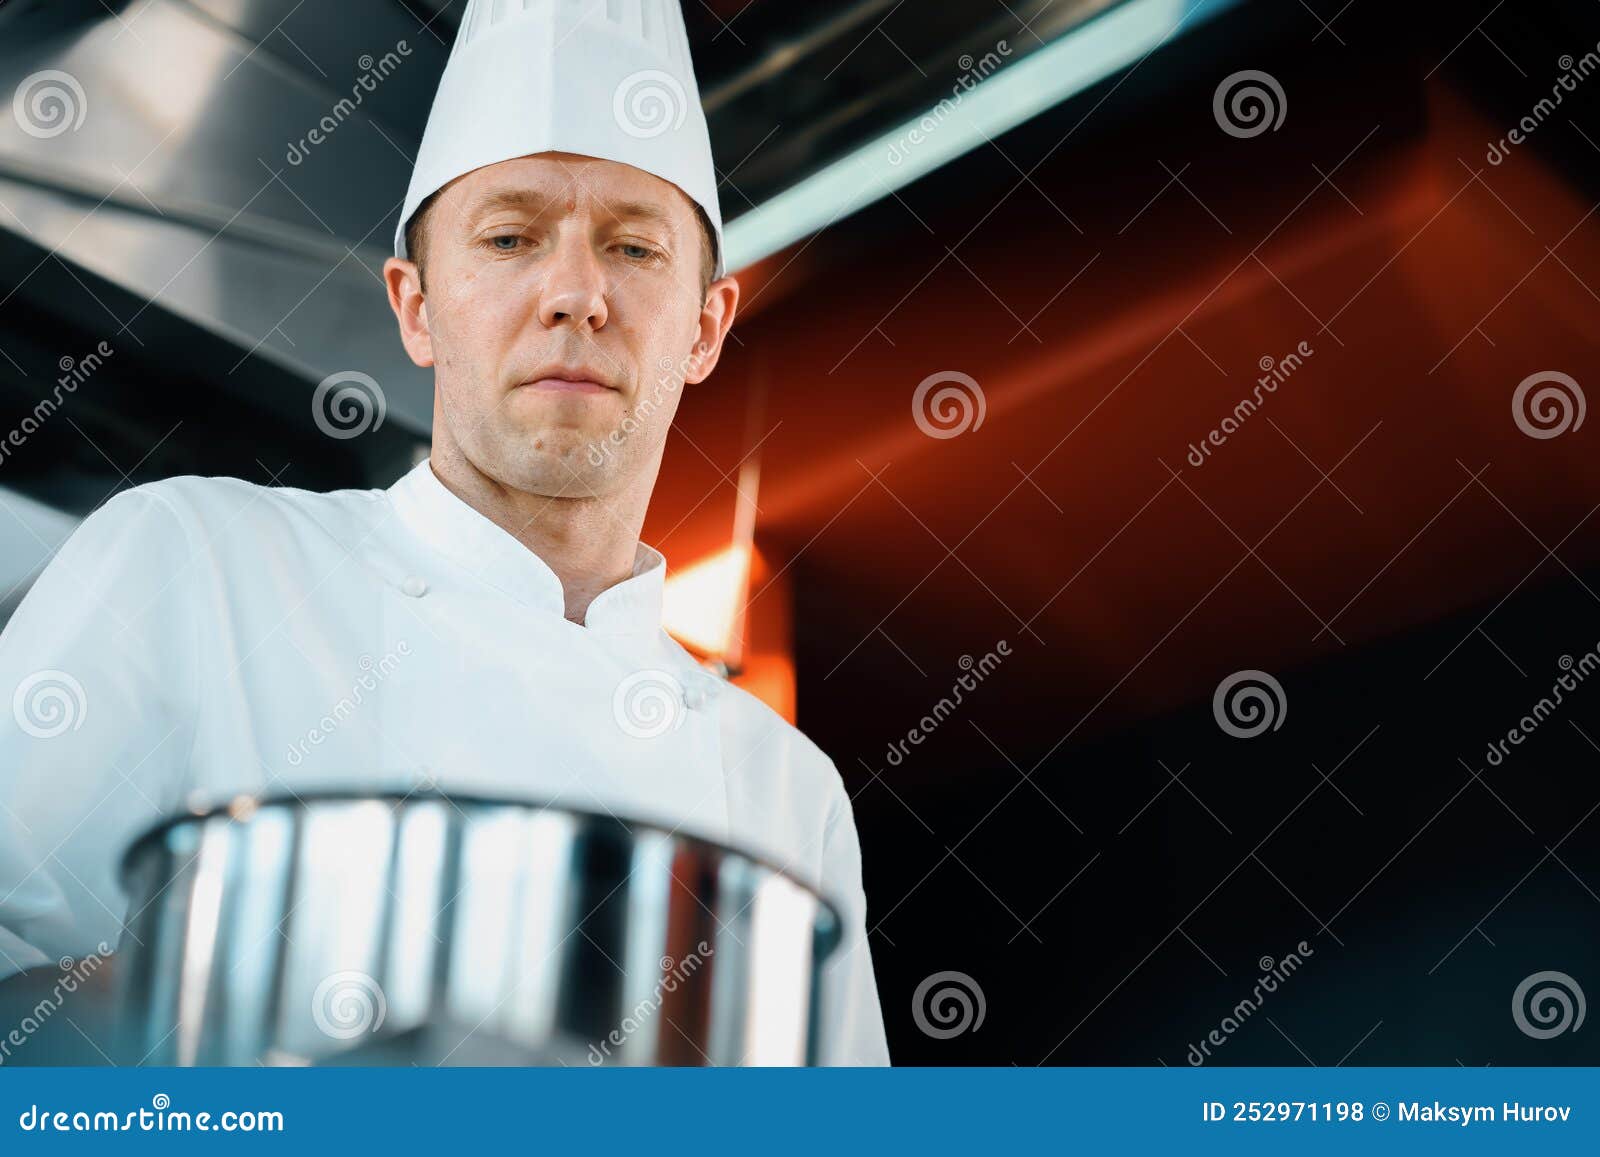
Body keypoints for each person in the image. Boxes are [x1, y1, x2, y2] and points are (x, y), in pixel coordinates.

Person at [0, 0, 888, 1065]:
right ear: (416, 307)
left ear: (704, 327)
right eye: (510, 237)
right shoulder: (194, 555)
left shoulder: (785, 788)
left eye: (634, 246)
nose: (574, 293)